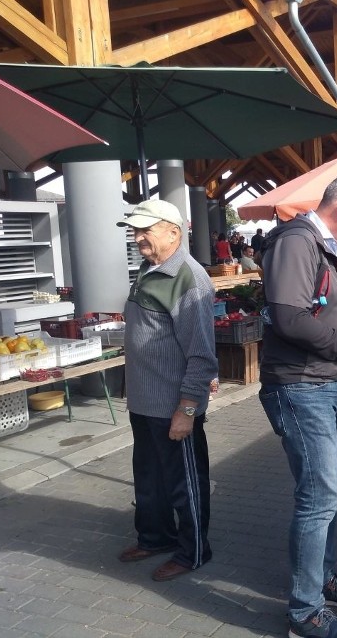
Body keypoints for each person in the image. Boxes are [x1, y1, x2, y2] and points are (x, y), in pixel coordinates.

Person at [258, 172, 337, 638]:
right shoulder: (297, 241)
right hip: (301, 386)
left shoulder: (327, 246)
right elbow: (289, 318)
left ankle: (322, 581)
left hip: (326, 383)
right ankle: (305, 613)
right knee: (319, 498)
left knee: (325, 496)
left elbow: (323, 313)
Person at [116, 199, 218, 581]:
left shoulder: (189, 278)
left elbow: (202, 355)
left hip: (174, 405)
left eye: (146, 229)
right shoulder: (148, 268)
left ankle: (193, 552)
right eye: (136, 229)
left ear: (174, 232)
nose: (137, 236)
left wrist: (188, 408)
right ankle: (155, 536)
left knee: (184, 483)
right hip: (144, 402)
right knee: (149, 477)